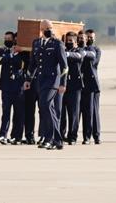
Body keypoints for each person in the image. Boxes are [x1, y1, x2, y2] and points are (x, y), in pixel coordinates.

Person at [25, 20, 68, 150]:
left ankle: (52, 139)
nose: (48, 29)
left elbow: (64, 66)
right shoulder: (37, 43)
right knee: (46, 108)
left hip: (53, 81)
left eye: (50, 27)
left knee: (45, 105)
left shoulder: (57, 44)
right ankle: (55, 140)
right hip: (40, 81)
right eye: (46, 27)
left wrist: (63, 83)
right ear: (41, 29)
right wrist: (28, 80)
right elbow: (32, 64)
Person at [0, 31, 25, 145]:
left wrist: (17, 53)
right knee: (6, 112)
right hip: (6, 86)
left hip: (18, 86)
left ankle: (16, 136)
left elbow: (22, 64)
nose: (7, 40)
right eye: (5, 38)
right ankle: (3, 135)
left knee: (18, 113)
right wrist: (11, 53)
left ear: (14, 39)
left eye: (9, 38)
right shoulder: (2, 50)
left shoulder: (22, 52)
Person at [60, 32, 85, 145]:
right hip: (62, 85)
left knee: (74, 113)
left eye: (71, 41)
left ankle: (72, 136)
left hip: (75, 86)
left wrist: (65, 53)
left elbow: (79, 57)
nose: (68, 42)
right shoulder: (63, 51)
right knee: (61, 113)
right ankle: (61, 134)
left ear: (75, 42)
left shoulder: (78, 51)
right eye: (67, 40)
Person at [80, 29, 102, 145]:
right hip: (82, 84)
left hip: (93, 85)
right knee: (86, 112)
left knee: (94, 112)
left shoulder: (96, 50)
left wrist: (85, 51)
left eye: (91, 37)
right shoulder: (80, 49)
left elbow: (94, 61)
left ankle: (96, 136)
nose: (90, 39)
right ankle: (86, 136)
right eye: (87, 37)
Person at [21, 48, 38, 145]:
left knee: (44, 111)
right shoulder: (25, 52)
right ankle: (29, 136)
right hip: (29, 84)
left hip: (42, 84)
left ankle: (44, 136)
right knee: (29, 112)